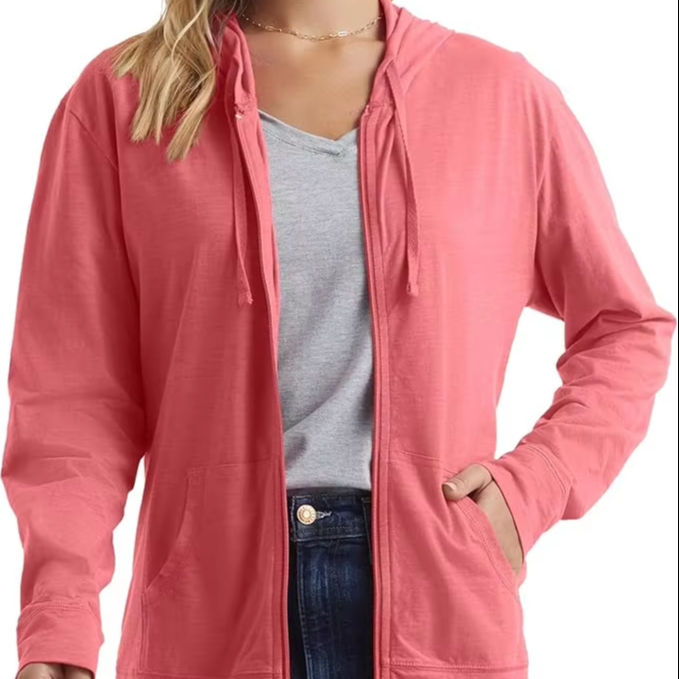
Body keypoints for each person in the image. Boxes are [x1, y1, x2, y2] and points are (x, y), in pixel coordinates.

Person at [1, 1, 675, 678]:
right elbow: (71, 394)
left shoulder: (500, 95)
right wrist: (59, 616)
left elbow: (624, 326)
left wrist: (536, 483)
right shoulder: (129, 96)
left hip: (438, 598)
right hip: (208, 610)